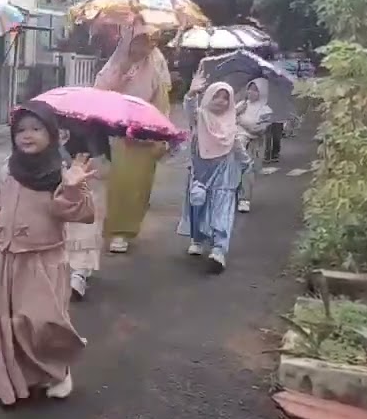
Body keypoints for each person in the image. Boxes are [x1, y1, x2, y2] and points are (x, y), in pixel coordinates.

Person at [0, 101, 97, 407]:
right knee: (12, 321)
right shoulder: (7, 169)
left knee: (41, 321)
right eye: (20, 130)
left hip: (44, 258)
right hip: (10, 257)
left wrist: (72, 188)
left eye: (36, 129)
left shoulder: (60, 172)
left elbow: (81, 214)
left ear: (53, 135)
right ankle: (14, 376)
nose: (27, 135)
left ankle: (60, 371)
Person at [93, 21, 173, 254]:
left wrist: (161, 132)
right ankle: (114, 229)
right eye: (139, 41)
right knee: (119, 180)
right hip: (118, 126)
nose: (144, 47)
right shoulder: (119, 60)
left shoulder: (157, 61)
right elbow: (100, 89)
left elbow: (162, 96)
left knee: (141, 183)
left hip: (146, 126)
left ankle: (129, 228)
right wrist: (123, 74)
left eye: (149, 41)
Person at [178, 82, 249, 273]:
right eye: (217, 96)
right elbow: (190, 108)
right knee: (198, 204)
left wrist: (245, 162)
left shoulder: (230, 121)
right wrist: (192, 92)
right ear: (208, 96)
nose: (221, 101)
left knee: (222, 207)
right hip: (201, 170)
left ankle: (219, 249)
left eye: (226, 98)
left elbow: (235, 144)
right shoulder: (199, 116)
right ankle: (197, 238)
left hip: (224, 171)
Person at [59, 123, 111, 300]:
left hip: (80, 199)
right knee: (84, 236)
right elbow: (105, 171)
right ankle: (78, 274)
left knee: (76, 235)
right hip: (88, 200)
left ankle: (77, 274)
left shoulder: (64, 144)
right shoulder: (97, 141)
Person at [235, 78, 273, 214]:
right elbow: (229, 119)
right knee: (233, 171)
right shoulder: (241, 105)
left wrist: (240, 121)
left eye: (255, 90)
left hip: (252, 145)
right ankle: (234, 196)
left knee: (247, 172)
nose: (251, 92)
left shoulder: (266, 110)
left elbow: (258, 129)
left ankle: (244, 199)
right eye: (249, 89)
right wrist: (237, 112)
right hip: (234, 143)